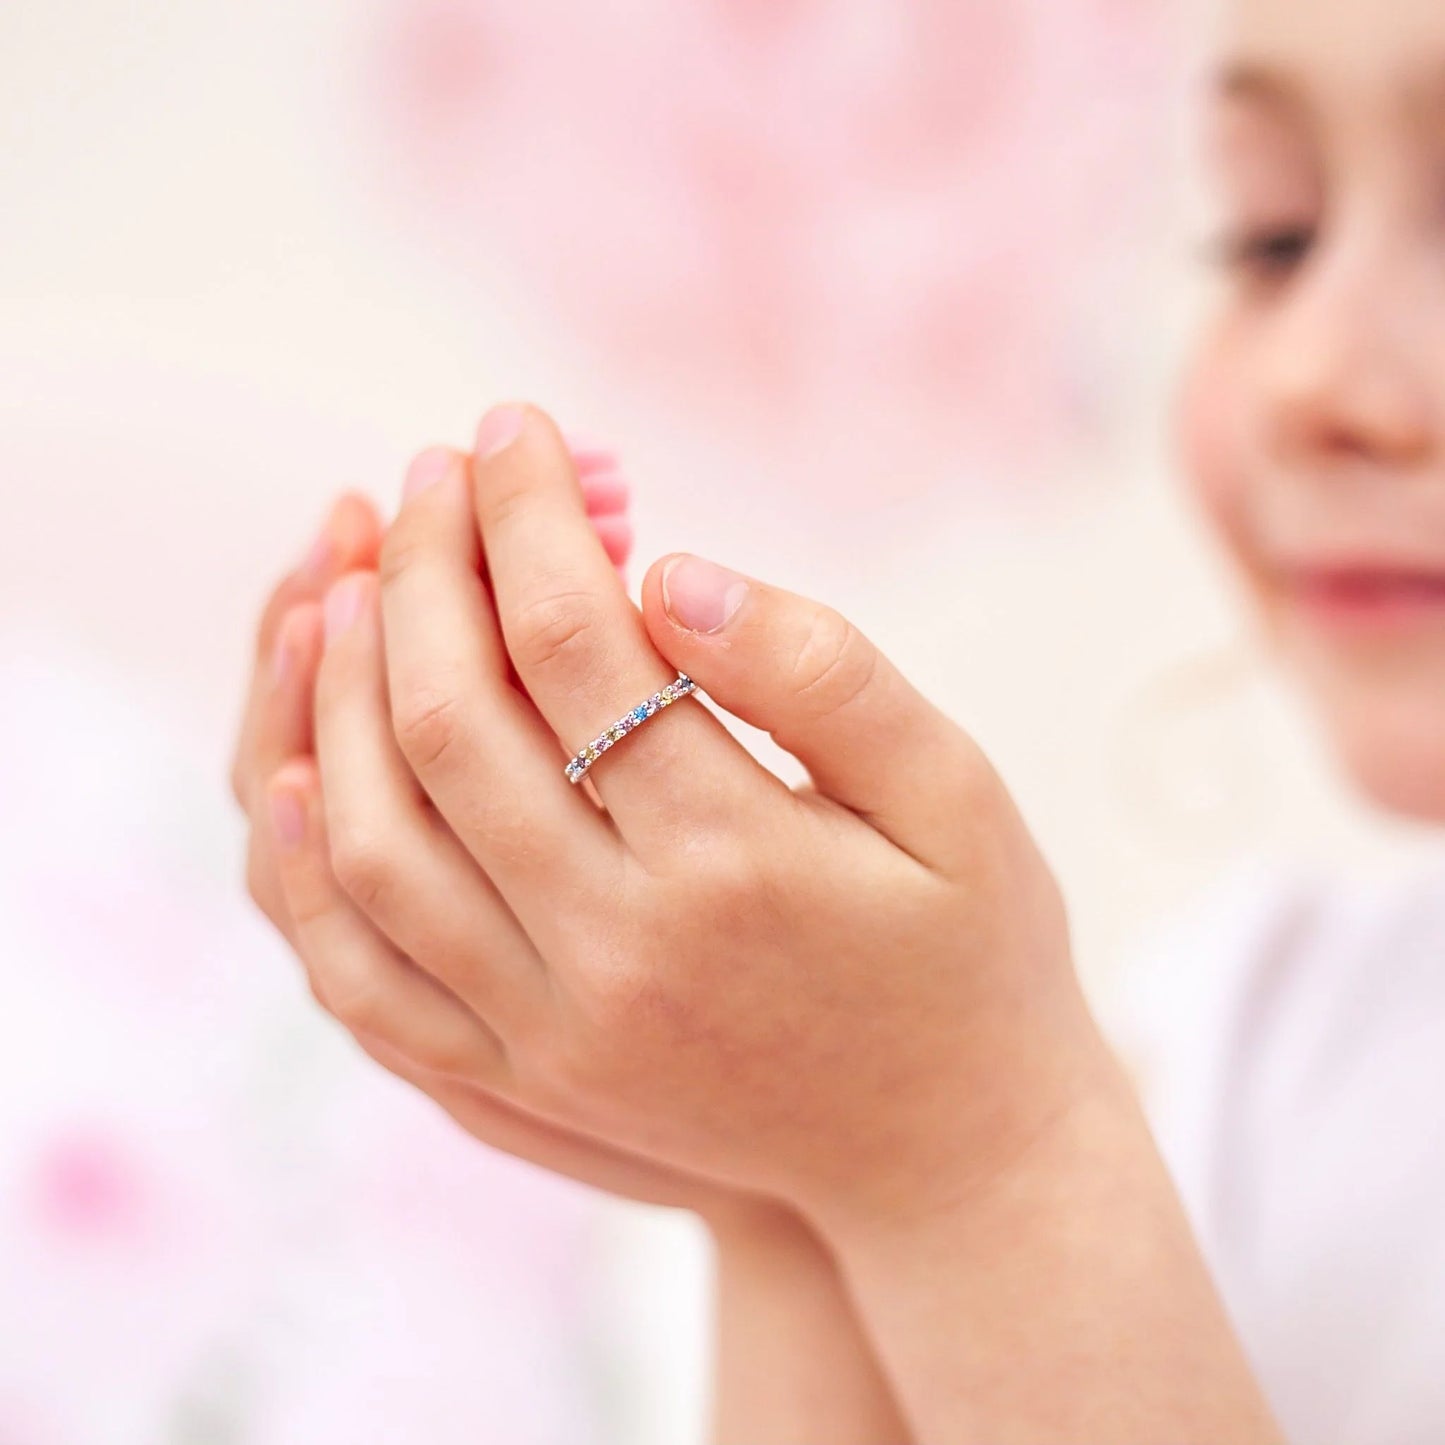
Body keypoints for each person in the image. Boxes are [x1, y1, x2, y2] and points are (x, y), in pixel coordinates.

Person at [229, 0, 1445, 1438]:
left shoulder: (1090, 1104)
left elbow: (967, 1177)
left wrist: (975, 1162)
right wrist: (798, 1174)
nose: (1307, 376)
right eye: (1272, 238)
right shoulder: (1248, 1033)